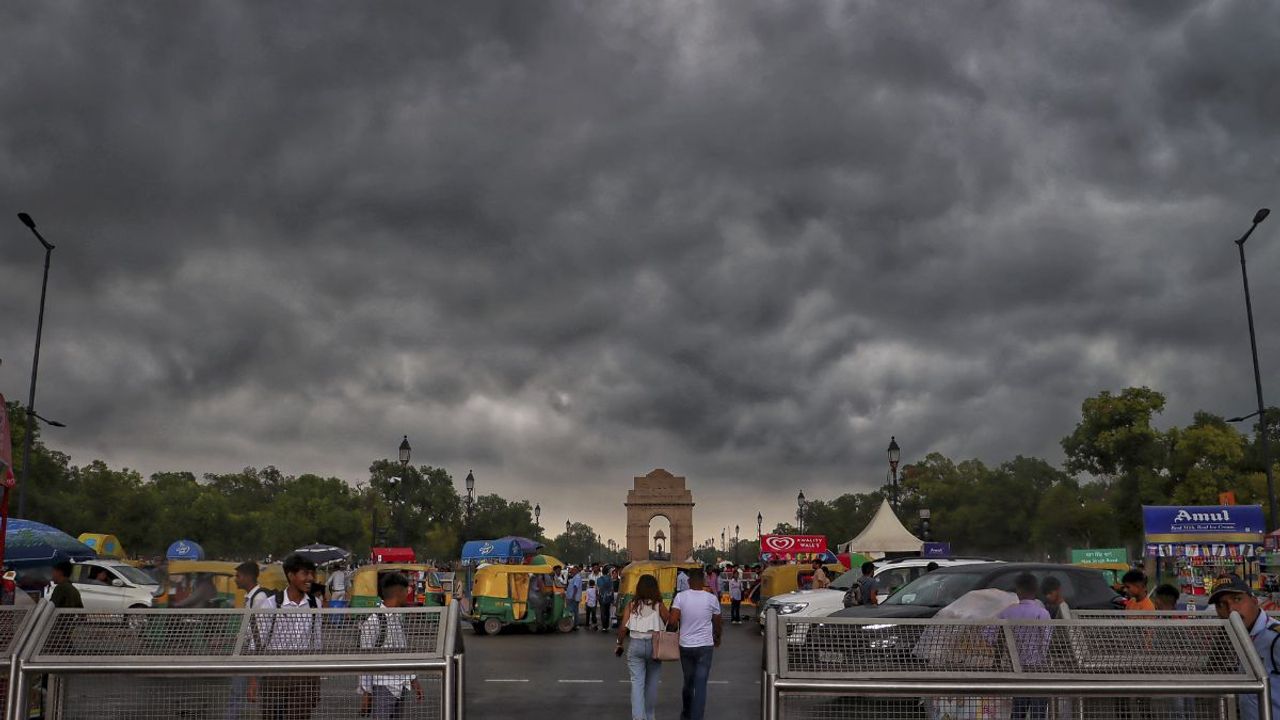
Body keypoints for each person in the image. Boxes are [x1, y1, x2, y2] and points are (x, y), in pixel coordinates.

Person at [250, 554, 322, 720]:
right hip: (274, 675)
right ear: (291, 575)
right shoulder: (271, 604)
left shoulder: (314, 604)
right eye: (305, 573)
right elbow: (256, 645)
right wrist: (253, 681)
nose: (310, 578)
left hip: (304, 677)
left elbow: (317, 644)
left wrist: (316, 684)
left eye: (312, 573)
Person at [1212, 575, 1280, 720]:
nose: (1231, 609)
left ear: (1254, 601)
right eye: (1222, 604)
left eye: (1237, 599)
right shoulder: (1233, 636)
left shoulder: (1275, 639)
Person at [359, 573, 425, 719]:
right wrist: (366, 693)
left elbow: (403, 653)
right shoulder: (374, 621)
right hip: (383, 687)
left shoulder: (397, 618)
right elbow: (364, 661)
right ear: (398, 592)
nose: (407, 594)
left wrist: (414, 681)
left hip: (400, 686)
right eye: (406, 590)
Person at [988, 572, 1051, 719]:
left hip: (1017, 670)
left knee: (1018, 711)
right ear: (1035, 590)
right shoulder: (1043, 614)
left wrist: (1002, 645)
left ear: (1018, 590)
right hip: (1039, 671)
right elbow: (1046, 643)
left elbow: (989, 634)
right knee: (1038, 713)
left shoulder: (1007, 612)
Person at [616, 574, 670, 720]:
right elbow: (671, 622)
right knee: (652, 684)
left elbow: (622, 629)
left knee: (637, 684)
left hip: (635, 646)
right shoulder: (659, 605)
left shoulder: (632, 605)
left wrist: (619, 644)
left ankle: (638, 717)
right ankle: (650, 716)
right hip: (655, 646)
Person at [669, 571, 721, 720]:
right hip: (705, 645)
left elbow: (672, 622)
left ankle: (686, 713)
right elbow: (717, 622)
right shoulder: (711, 599)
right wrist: (717, 637)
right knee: (701, 684)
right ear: (703, 581)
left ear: (689, 582)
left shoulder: (680, 597)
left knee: (688, 681)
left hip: (686, 645)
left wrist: (671, 631)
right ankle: (697, 717)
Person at [227, 562, 272, 720]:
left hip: (251, 654)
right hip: (248, 652)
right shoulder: (251, 598)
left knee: (240, 695)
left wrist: (253, 673)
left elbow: (258, 635)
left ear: (248, 577)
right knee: (237, 694)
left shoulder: (259, 598)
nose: (235, 579)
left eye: (238, 576)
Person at [596, 566, 615, 632]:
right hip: (608, 597)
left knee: (603, 612)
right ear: (607, 572)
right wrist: (612, 599)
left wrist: (597, 596)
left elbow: (598, 589)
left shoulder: (599, 579)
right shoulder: (610, 579)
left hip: (602, 597)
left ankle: (604, 626)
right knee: (607, 612)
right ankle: (606, 626)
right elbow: (612, 590)